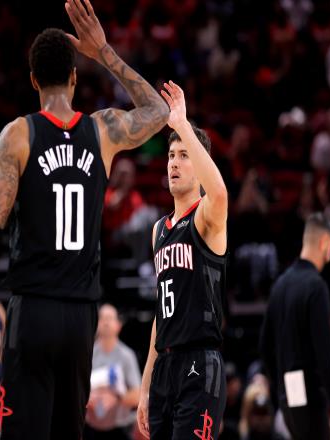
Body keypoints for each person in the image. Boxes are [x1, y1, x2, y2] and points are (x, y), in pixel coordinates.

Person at [0, 0, 169, 438]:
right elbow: (159, 112)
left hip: (34, 311)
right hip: (80, 319)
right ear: (75, 77)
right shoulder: (102, 131)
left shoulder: (18, 136)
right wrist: (104, 53)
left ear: (33, 80)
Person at [137, 81, 228, 440]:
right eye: (171, 155)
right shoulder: (158, 230)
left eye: (184, 155)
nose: (174, 162)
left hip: (200, 362)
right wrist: (145, 385)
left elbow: (219, 192)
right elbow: (161, 315)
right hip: (165, 366)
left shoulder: (206, 217)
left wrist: (182, 125)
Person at [260, 213, 330, 440]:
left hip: (288, 396)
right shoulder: (316, 286)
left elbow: (264, 346)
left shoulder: (280, 284)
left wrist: (279, 388)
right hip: (310, 394)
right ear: (323, 242)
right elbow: (324, 353)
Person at [85, 304, 141, 439]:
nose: (106, 322)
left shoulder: (127, 356)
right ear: (96, 325)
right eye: (102, 318)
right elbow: (76, 390)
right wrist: (89, 398)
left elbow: (138, 396)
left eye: (109, 318)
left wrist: (116, 399)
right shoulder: (87, 354)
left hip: (120, 429)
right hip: (90, 428)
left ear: (118, 325)